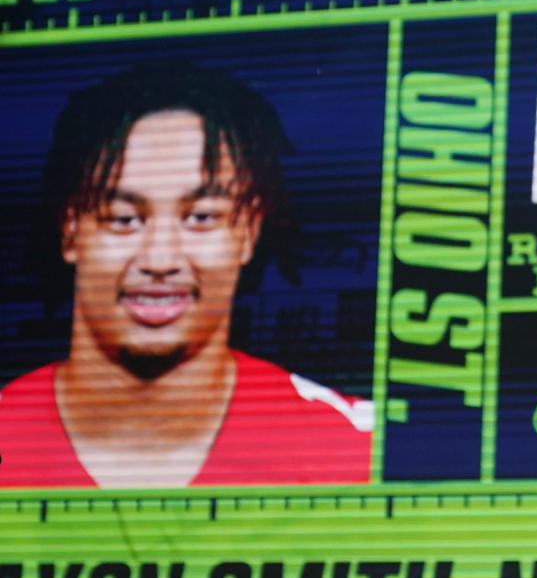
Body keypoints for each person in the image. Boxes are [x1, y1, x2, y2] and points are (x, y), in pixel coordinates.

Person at [0, 61, 372, 488]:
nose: (160, 259)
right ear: (70, 231)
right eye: (123, 219)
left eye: (200, 217)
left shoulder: (356, 452)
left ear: (248, 232)